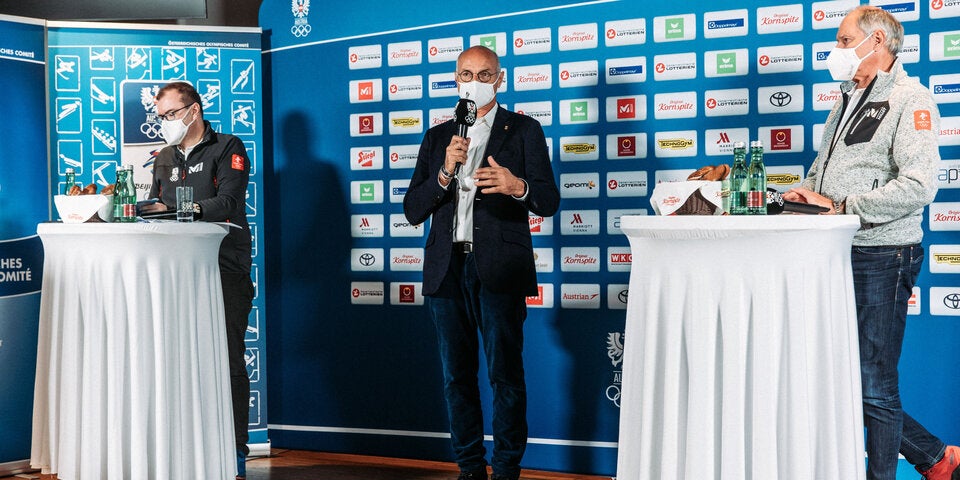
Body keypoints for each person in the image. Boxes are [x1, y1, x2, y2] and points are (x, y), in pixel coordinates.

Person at [783, 6, 957, 480]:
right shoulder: (846, 97)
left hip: (883, 253)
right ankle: (936, 458)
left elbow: (919, 185)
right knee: (840, 376)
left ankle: (905, 469)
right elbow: (822, 173)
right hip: (833, 252)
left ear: (876, 41)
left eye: (844, 41)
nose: (836, 50)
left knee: (874, 384)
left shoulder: (911, 98)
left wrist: (842, 206)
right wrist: (804, 192)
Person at [403, 45, 560, 480]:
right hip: (446, 269)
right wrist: (443, 173)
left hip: (499, 268)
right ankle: (470, 467)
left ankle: (506, 468)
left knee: (505, 375)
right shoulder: (438, 137)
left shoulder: (524, 130)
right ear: (456, 79)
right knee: (456, 377)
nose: (475, 81)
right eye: (466, 74)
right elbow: (413, 209)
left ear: (500, 79)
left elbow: (548, 200)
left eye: (485, 74)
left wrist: (516, 186)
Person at [141, 81, 254, 480]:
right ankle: (185, 448)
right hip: (176, 271)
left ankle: (235, 450)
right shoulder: (164, 156)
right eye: (160, 117)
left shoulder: (227, 146)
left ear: (194, 110)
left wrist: (173, 209)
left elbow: (227, 203)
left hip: (225, 268)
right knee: (176, 361)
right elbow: (155, 204)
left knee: (228, 358)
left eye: (171, 114)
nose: (165, 123)